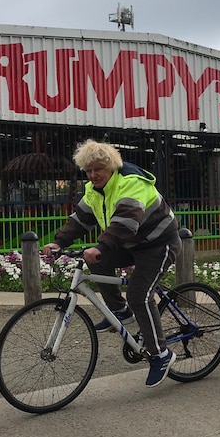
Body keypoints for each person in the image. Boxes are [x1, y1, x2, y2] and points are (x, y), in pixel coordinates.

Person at [42, 140, 181, 388]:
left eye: (98, 169)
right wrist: (58, 242)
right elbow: (80, 220)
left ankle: (161, 354)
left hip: (158, 244)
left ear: (111, 167)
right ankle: (120, 311)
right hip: (130, 244)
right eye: (88, 170)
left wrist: (102, 246)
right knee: (96, 262)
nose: (93, 175)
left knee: (139, 295)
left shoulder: (130, 183)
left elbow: (126, 222)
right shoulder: (93, 190)